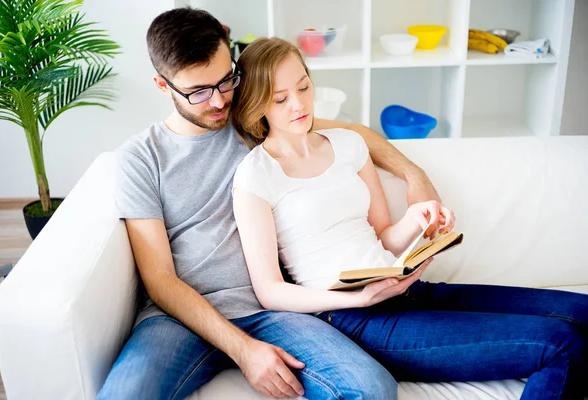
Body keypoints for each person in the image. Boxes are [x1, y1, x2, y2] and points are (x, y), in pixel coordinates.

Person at [98, 6, 445, 400]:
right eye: (198, 91)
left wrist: (415, 176)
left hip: (274, 313)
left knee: (371, 388)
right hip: (179, 320)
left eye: (226, 80)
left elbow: (353, 134)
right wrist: (242, 350)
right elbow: (159, 278)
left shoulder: (253, 120)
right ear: (163, 86)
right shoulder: (140, 158)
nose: (217, 102)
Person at [231, 37, 588, 400]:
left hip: (406, 289)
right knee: (561, 344)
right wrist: (357, 300)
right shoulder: (255, 175)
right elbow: (270, 291)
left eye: (304, 87)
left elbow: (383, 236)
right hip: (353, 319)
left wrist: (417, 220)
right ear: (258, 103)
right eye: (280, 98)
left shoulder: (348, 144)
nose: (299, 104)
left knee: (583, 312)